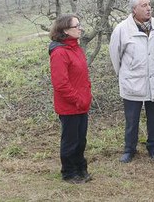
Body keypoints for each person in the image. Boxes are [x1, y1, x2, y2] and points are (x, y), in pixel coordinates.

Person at [109, 0, 154, 163]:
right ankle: (129, 149)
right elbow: (115, 56)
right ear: (134, 10)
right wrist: (126, 75)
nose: (148, 8)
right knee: (132, 120)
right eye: (143, 5)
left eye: (149, 4)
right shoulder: (122, 29)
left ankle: (153, 147)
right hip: (133, 83)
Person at [49, 14, 93, 184]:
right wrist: (77, 99)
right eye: (76, 26)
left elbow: (82, 76)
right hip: (69, 106)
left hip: (82, 104)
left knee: (81, 140)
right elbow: (60, 84)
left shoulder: (76, 48)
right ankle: (69, 172)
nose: (80, 28)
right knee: (71, 141)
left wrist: (86, 96)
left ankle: (81, 169)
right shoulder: (59, 53)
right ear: (65, 30)